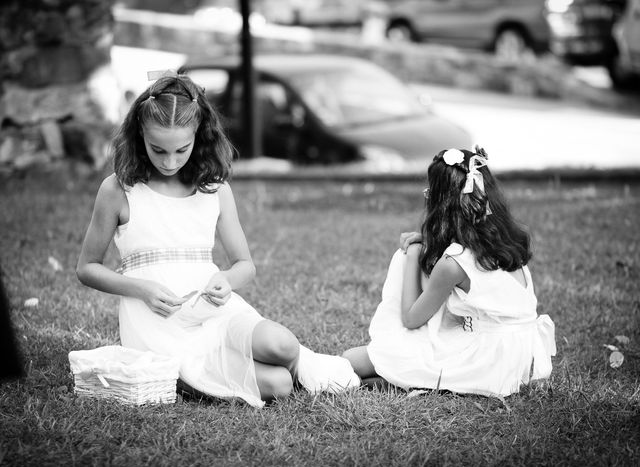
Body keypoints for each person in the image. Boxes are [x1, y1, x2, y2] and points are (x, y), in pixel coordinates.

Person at [77, 72, 358, 408]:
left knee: (282, 345)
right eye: (158, 150)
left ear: (199, 136)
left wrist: (225, 280)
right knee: (279, 385)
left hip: (214, 311)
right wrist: (142, 289)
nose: (170, 161)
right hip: (158, 326)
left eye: (181, 149)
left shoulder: (215, 189)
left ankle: (283, 363)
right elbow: (87, 268)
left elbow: (245, 265)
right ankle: (192, 373)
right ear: (139, 136)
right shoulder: (118, 189)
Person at [343, 147, 556, 398]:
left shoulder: (454, 263)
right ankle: (401, 381)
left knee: (352, 359)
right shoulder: (508, 239)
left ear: (440, 204)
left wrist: (413, 253)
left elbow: (411, 319)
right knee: (371, 366)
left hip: (486, 362)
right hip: (518, 358)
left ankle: (411, 380)